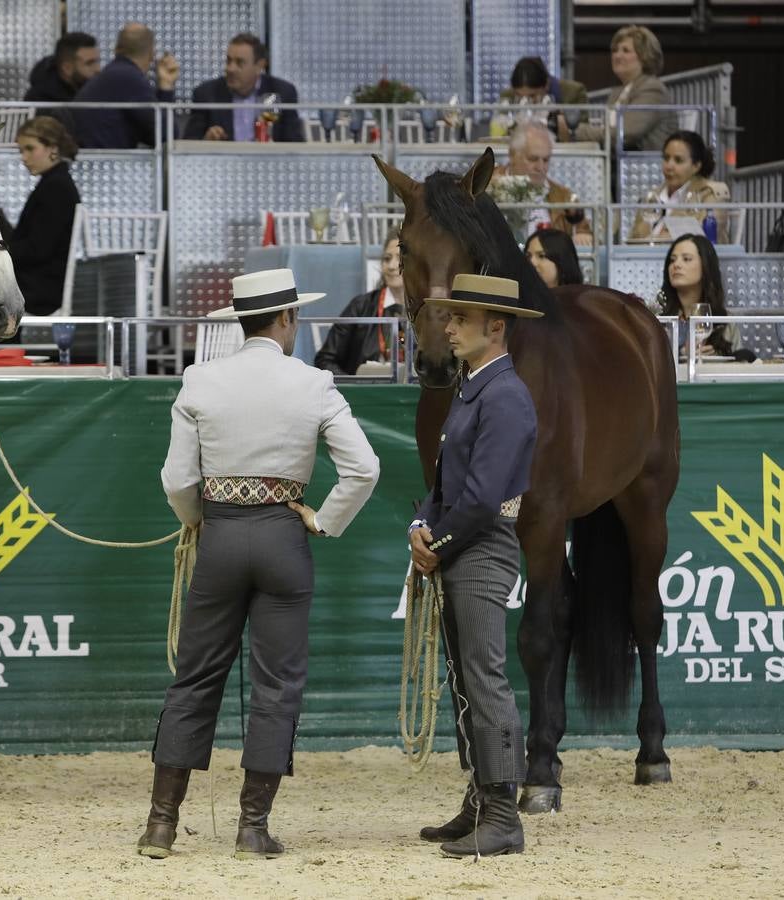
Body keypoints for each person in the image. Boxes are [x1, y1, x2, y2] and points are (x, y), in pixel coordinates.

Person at [140, 268, 379, 861]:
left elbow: (176, 478)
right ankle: (252, 827)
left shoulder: (199, 379)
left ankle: (161, 825)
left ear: (241, 322)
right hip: (282, 537)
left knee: (194, 678)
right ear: (288, 319)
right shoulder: (315, 382)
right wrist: (322, 519)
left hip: (219, 535)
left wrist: (196, 519)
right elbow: (364, 469)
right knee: (277, 685)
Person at [407, 274, 539, 860]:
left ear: (496, 327)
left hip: (483, 547)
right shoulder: (475, 389)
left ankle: (503, 812)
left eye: (461, 319)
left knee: (482, 677)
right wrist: (420, 527)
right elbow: (445, 484)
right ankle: (483, 802)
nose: (449, 327)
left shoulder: (504, 395)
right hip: (466, 544)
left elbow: (483, 498)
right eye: (450, 317)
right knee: (467, 678)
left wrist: (437, 541)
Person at [5, 116, 81, 317]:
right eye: (21, 151)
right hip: (38, 280)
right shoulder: (53, 183)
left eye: (30, 149)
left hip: (40, 287)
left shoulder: (56, 187)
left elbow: (38, 248)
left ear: (52, 149)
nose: (24, 157)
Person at [567, 25, 675, 152]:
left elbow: (625, 133)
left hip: (642, 166)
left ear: (645, 57)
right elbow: (608, 133)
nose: (617, 56)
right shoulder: (617, 93)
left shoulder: (652, 89)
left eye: (625, 51)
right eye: (615, 50)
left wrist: (574, 132)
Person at [73, 22, 179, 149]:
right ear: (152, 53)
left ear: (116, 49)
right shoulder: (128, 78)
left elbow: (153, 134)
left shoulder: (115, 75)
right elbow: (167, 136)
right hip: (107, 162)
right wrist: (166, 87)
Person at [314, 229, 405, 374]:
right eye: (387, 258)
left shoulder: (427, 311)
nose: (392, 266)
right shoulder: (360, 306)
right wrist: (356, 387)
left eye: (399, 258)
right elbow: (324, 360)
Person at [182, 33, 303, 143]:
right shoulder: (207, 94)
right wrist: (206, 140)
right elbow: (188, 144)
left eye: (240, 63)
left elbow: (294, 144)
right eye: (228, 61)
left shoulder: (279, 91)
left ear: (259, 66)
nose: (230, 68)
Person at [491, 121, 592, 245]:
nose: (540, 167)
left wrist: (583, 234)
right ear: (512, 155)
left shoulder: (563, 197)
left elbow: (583, 229)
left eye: (546, 160)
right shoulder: (486, 189)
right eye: (533, 159)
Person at [629, 131, 730, 243]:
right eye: (666, 158)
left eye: (678, 160)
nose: (669, 166)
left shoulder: (710, 194)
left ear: (696, 166)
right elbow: (632, 240)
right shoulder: (651, 197)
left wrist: (655, 241)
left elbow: (702, 238)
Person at [658, 233, 743, 358]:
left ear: (705, 266)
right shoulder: (658, 318)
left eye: (686, 259)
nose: (676, 265)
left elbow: (738, 367)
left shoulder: (725, 321)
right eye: (672, 260)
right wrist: (680, 354)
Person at [25, 32, 101, 103]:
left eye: (97, 61)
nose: (98, 69)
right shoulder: (41, 100)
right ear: (67, 68)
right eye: (89, 63)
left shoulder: (93, 90)